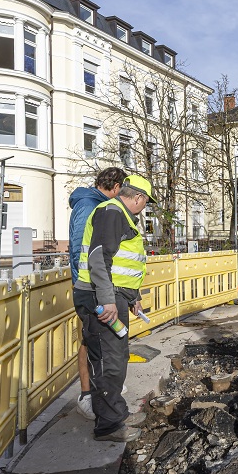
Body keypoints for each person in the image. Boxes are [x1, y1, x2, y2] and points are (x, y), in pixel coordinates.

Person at [73, 174, 155, 442]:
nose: (144, 207)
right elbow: (99, 257)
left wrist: (132, 296)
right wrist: (107, 299)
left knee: (117, 358)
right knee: (108, 362)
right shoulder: (111, 213)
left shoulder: (118, 214)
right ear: (139, 198)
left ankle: (115, 414)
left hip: (114, 295)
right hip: (101, 297)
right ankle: (109, 425)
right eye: (146, 202)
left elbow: (121, 264)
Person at [68, 168, 127, 419]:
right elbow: (83, 250)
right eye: (121, 191)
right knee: (90, 340)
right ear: (114, 187)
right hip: (91, 287)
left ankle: (103, 390)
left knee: (98, 340)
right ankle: (88, 396)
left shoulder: (98, 205)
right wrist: (90, 287)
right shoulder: (90, 206)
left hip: (96, 286)